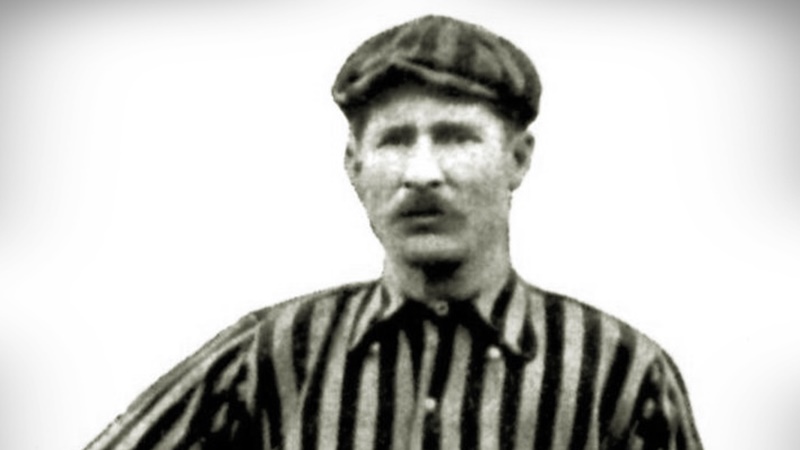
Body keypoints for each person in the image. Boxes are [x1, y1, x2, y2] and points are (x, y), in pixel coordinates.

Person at [85, 15, 703, 450]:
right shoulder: (272, 353)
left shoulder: (621, 372)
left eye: (456, 137)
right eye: (395, 140)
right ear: (354, 164)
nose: (422, 173)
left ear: (518, 158)